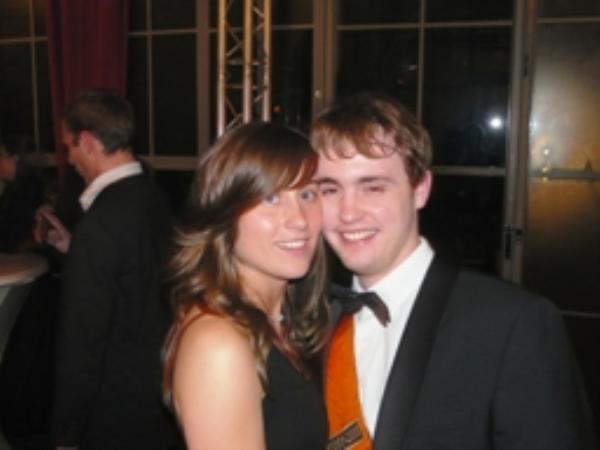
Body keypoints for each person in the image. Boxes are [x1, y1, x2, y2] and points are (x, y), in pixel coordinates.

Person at [310, 92, 597, 450]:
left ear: (420, 189)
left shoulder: (511, 324)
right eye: (330, 190)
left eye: (373, 187)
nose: (349, 212)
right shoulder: (312, 320)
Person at [162, 122, 330, 450]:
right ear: (225, 213)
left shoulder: (282, 321)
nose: (299, 220)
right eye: (271, 198)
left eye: (307, 194)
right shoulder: (218, 345)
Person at [39, 89, 180, 450]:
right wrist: (76, 249)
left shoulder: (101, 224)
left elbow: (81, 343)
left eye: (69, 147)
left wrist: (66, 435)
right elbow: (137, 275)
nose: (69, 159)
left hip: (115, 414)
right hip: (159, 400)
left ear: (88, 142)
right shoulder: (154, 198)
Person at [0, 133, 49, 252]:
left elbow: (11, 239)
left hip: (20, 259)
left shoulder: (26, 192)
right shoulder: (15, 188)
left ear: (15, 158)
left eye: (1, 155)